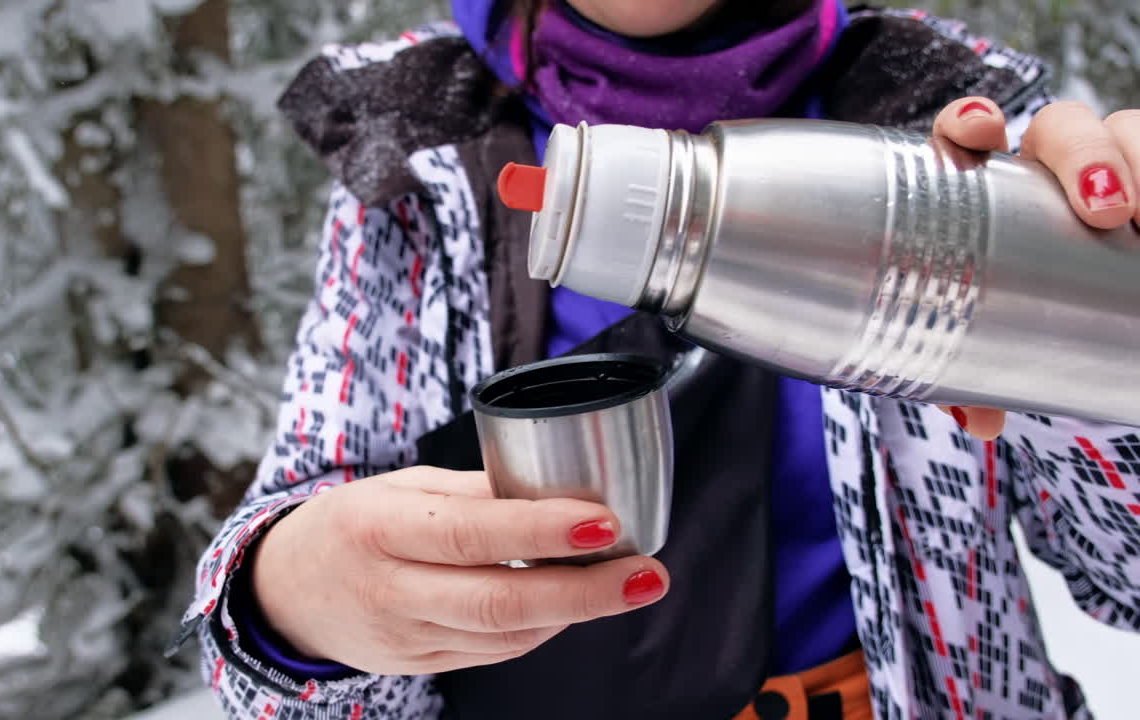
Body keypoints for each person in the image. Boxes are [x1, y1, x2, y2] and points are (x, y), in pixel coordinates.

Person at [168, 1, 1140, 718]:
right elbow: (274, 609)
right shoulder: (414, 149)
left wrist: (1085, 336)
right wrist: (292, 594)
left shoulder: (957, 129)